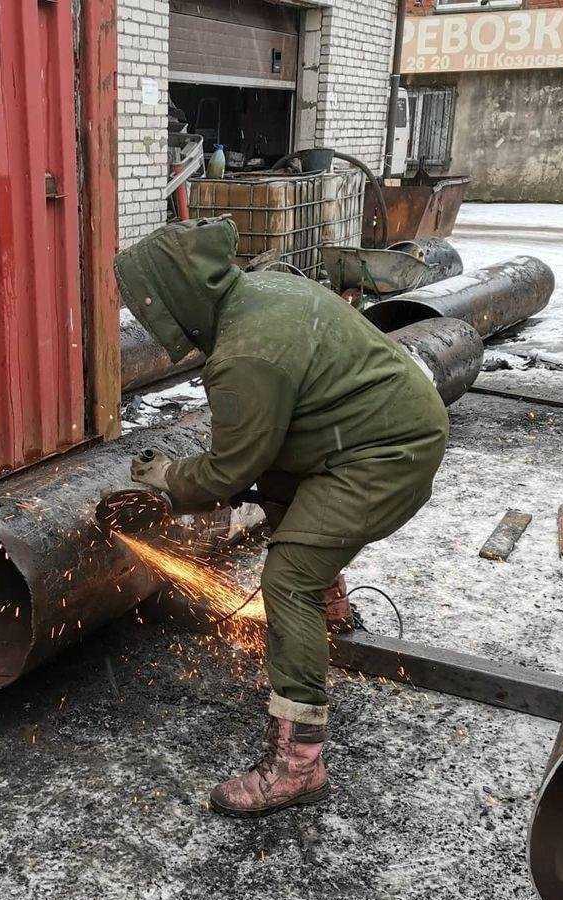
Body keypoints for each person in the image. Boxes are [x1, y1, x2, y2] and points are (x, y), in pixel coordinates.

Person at [115, 217, 448, 818]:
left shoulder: (246, 353)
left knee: (286, 578)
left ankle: (299, 764)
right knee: (283, 498)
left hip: (381, 453)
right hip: (380, 429)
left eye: (151, 302)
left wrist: (168, 478)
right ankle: (332, 608)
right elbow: (263, 462)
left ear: (178, 296)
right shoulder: (265, 289)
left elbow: (227, 473)